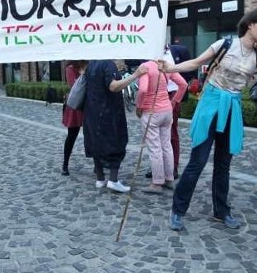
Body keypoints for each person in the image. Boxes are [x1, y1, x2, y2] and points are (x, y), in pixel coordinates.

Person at [158, 8, 257, 230]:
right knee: (198, 161)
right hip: (211, 103)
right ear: (250, 24)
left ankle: (221, 211)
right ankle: (178, 209)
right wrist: (170, 68)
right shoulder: (225, 44)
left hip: (232, 107)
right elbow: (195, 63)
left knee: (223, 164)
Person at [82, 59, 144, 193]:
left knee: (96, 144)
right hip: (108, 112)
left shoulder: (91, 64)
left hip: (92, 111)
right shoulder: (108, 64)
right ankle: (113, 181)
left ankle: (100, 179)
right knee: (116, 143)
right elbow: (113, 86)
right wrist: (136, 75)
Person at [135, 59, 186, 194]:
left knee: (155, 148)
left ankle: (157, 182)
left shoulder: (145, 66)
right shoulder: (165, 64)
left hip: (151, 112)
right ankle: (169, 179)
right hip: (167, 111)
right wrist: (174, 101)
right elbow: (183, 84)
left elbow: (143, 89)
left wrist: (139, 107)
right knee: (166, 145)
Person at [167, 43, 196, 179]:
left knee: (171, 131)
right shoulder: (150, 53)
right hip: (155, 96)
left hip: (173, 93)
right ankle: (159, 166)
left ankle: (173, 166)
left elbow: (189, 74)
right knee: (155, 134)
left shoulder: (179, 50)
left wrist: (176, 99)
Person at [61, 60, 86, 175]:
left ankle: (98, 165)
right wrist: (83, 74)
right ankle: (65, 164)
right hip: (75, 105)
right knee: (72, 136)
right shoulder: (70, 68)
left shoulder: (88, 66)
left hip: (88, 105)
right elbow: (75, 86)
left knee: (92, 136)